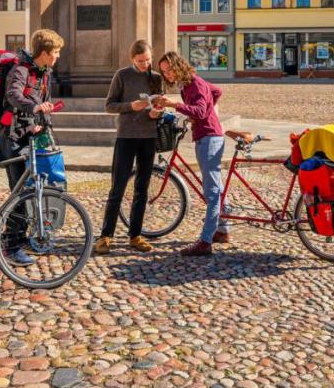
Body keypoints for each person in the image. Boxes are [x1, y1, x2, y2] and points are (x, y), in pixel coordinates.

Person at [156, 51, 252, 257]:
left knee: (212, 191)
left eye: (170, 70)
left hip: (209, 138)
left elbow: (199, 111)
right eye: (164, 72)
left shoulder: (194, 84)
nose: (168, 75)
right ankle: (222, 230)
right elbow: (216, 91)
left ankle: (205, 241)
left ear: (179, 66)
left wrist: (177, 106)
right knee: (214, 186)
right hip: (207, 135)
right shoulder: (189, 84)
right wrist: (203, 112)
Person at [1, 28, 64, 265]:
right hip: (14, 137)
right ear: (45, 53)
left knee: (36, 186)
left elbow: (43, 101)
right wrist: (34, 108)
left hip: (33, 135)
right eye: (56, 52)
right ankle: (10, 244)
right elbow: (13, 95)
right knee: (20, 192)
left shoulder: (44, 72)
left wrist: (43, 124)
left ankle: (25, 235)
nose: (58, 57)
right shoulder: (20, 70)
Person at [94, 40, 163, 254]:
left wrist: (155, 112)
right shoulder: (122, 75)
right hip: (126, 137)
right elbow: (109, 106)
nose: (145, 64)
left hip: (148, 137)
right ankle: (106, 235)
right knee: (118, 187)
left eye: (148, 60)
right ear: (132, 59)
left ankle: (135, 235)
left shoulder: (156, 78)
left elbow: (159, 106)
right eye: (141, 61)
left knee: (142, 189)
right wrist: (130, 107)